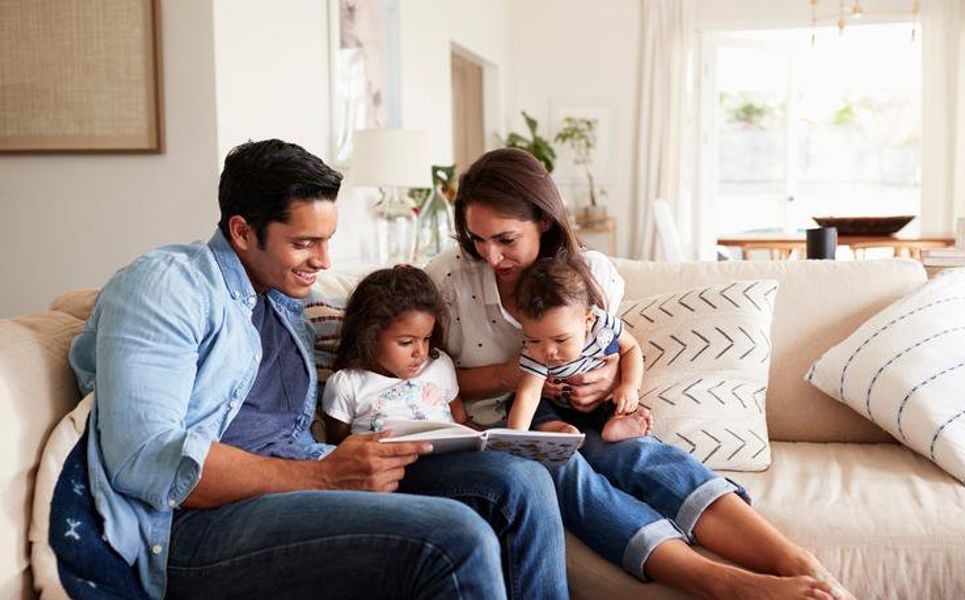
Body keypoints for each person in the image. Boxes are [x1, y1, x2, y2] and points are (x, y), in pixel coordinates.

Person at [67, 139, 566, 599]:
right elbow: (144, 458)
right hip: (200, 525)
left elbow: (380, 329)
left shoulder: (287, 301)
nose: (323, 260)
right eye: (305, 243)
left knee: (520, 481)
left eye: (327, 241)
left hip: (310, 474)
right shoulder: (167, 286)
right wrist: (322, 475)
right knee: (455, 537)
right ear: (242, 231)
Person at [425, 147, 853, 600]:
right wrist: (508, 376)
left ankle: (800, 564)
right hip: (496, 429)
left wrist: (608, 383)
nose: (490, 256)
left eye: (506, 239)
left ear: (544, 221)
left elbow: (612, 350)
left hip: (577, 414)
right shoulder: (448, 280)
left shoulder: (588, 275)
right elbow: (421, 380)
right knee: (560, 466)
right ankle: (719, 582)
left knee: (635, 453)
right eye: (477, 239)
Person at [508, 252, 652, 442]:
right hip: (558, 408)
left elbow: (631, 348)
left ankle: (616, 424)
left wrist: (629, 386)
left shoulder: (601, 327)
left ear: (588, 320)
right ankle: (557, 428)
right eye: (534, 340)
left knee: (617, 401)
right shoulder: (535, 354)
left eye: (561, 340)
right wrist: (514, 439)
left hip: (600, 402)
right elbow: (529, 394)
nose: (548, 351)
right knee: (516, 401)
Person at [321, 265, 468, 439]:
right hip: (392, 464)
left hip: (451, 458)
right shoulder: (347, 384)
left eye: (426, 338)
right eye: (406, 342)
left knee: (501, 462)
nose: (420, 353)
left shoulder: (439, 364)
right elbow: (339, 450)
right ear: (369, 336)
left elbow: (460, 421)